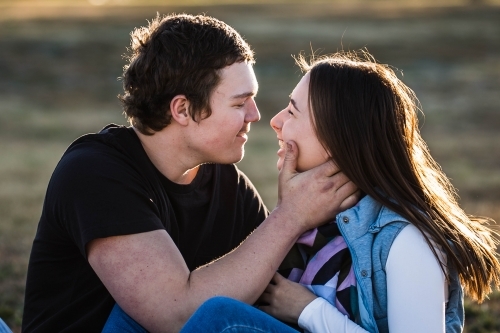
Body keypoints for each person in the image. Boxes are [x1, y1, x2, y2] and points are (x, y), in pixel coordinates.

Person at [21, 14, 359, 332]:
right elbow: (174, 315)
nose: (256, 115)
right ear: (182, 109)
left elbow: (275, 292)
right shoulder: (95, 173)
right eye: (240, 103)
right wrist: (290, 217)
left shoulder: (227, 185)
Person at [176, 51, 500, 333]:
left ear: (336, 137)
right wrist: (288, 212)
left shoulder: (405, 240)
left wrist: (308, 310)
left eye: (292, 111)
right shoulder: (318, 223)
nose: (274, 121)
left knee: (221, 318)